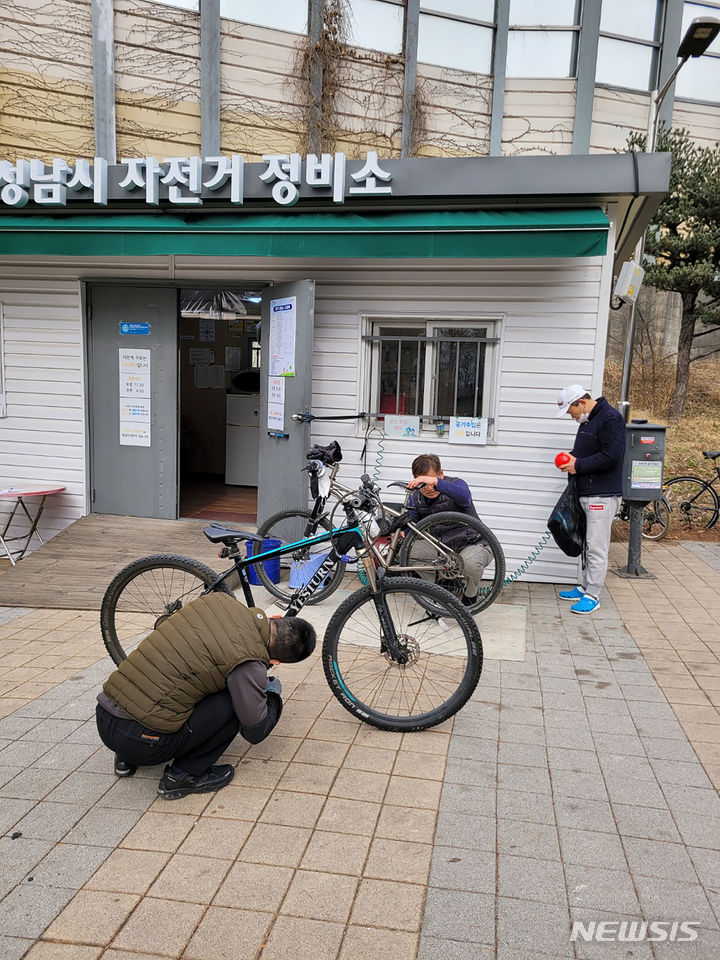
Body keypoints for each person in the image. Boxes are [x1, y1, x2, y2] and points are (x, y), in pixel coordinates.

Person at [95, 592, 316, 799]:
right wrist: (272, 694)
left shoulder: (220, 600)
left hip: (105, 714)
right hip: (143, 742)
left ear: (275, 617)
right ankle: (183, 775)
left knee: (197, 672)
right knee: (237, 701)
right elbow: (255, 731)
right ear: (275, 661)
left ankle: (125, 757)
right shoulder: (249, 663)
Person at [554, 384, 625, 615]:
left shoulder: (611, 419)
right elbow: (587, 454)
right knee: (587, 543)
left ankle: (593, 595)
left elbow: (611, 456)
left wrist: (578, 465)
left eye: (571, 411)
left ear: (581, 402)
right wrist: (572, 459)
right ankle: (585, 586)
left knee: (596, 546)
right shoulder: (588, 422)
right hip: (586, 492)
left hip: (601, 494)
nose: (571, 417)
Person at [407, 453, 491, 607]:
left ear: (441, 474)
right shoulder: (415, 498)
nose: (429, 488)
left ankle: (470, 595)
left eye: (432, 481)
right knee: (409, 552)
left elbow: (465, 497)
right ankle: (437, 588)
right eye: (423, 483)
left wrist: (437, 483)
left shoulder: (456, 485)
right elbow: (413, 526)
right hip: (443, 547)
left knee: (470, 563)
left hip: (475, 543)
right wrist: (401, 530)